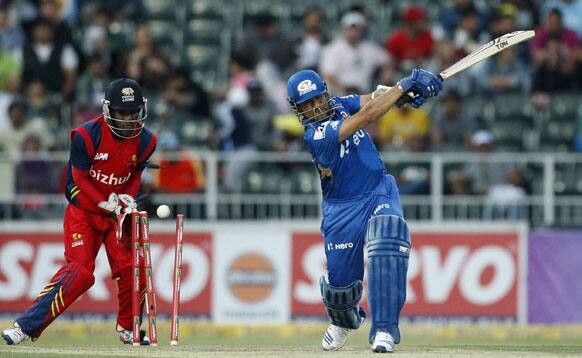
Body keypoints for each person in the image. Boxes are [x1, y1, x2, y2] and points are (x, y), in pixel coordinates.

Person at [286, 68, 442, 353]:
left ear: (325, 93)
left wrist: (404, 92)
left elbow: (373, 99)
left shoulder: (340, 105)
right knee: (341, 295)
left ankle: (384, 329)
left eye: (317, 98)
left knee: (387, 239)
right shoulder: (316, 136)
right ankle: (343, 322)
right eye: (307, 104)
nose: (315, 107)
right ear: (298, 109)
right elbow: (368, 116)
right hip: (341, 208)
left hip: (378, 189)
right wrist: (404, 85)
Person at [2, 78, 157, 345]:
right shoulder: (86, 136)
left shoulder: (147, 141)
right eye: (122, 113)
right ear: (108, 110)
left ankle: (129, 328)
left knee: (136, 267)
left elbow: (134, 176)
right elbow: (78, 181)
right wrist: (103, 203)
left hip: (115, 215)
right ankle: (25, 326)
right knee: (81, 273)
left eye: (133, 113)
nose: (128, 119)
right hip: (84, 212)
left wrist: (127, 202)